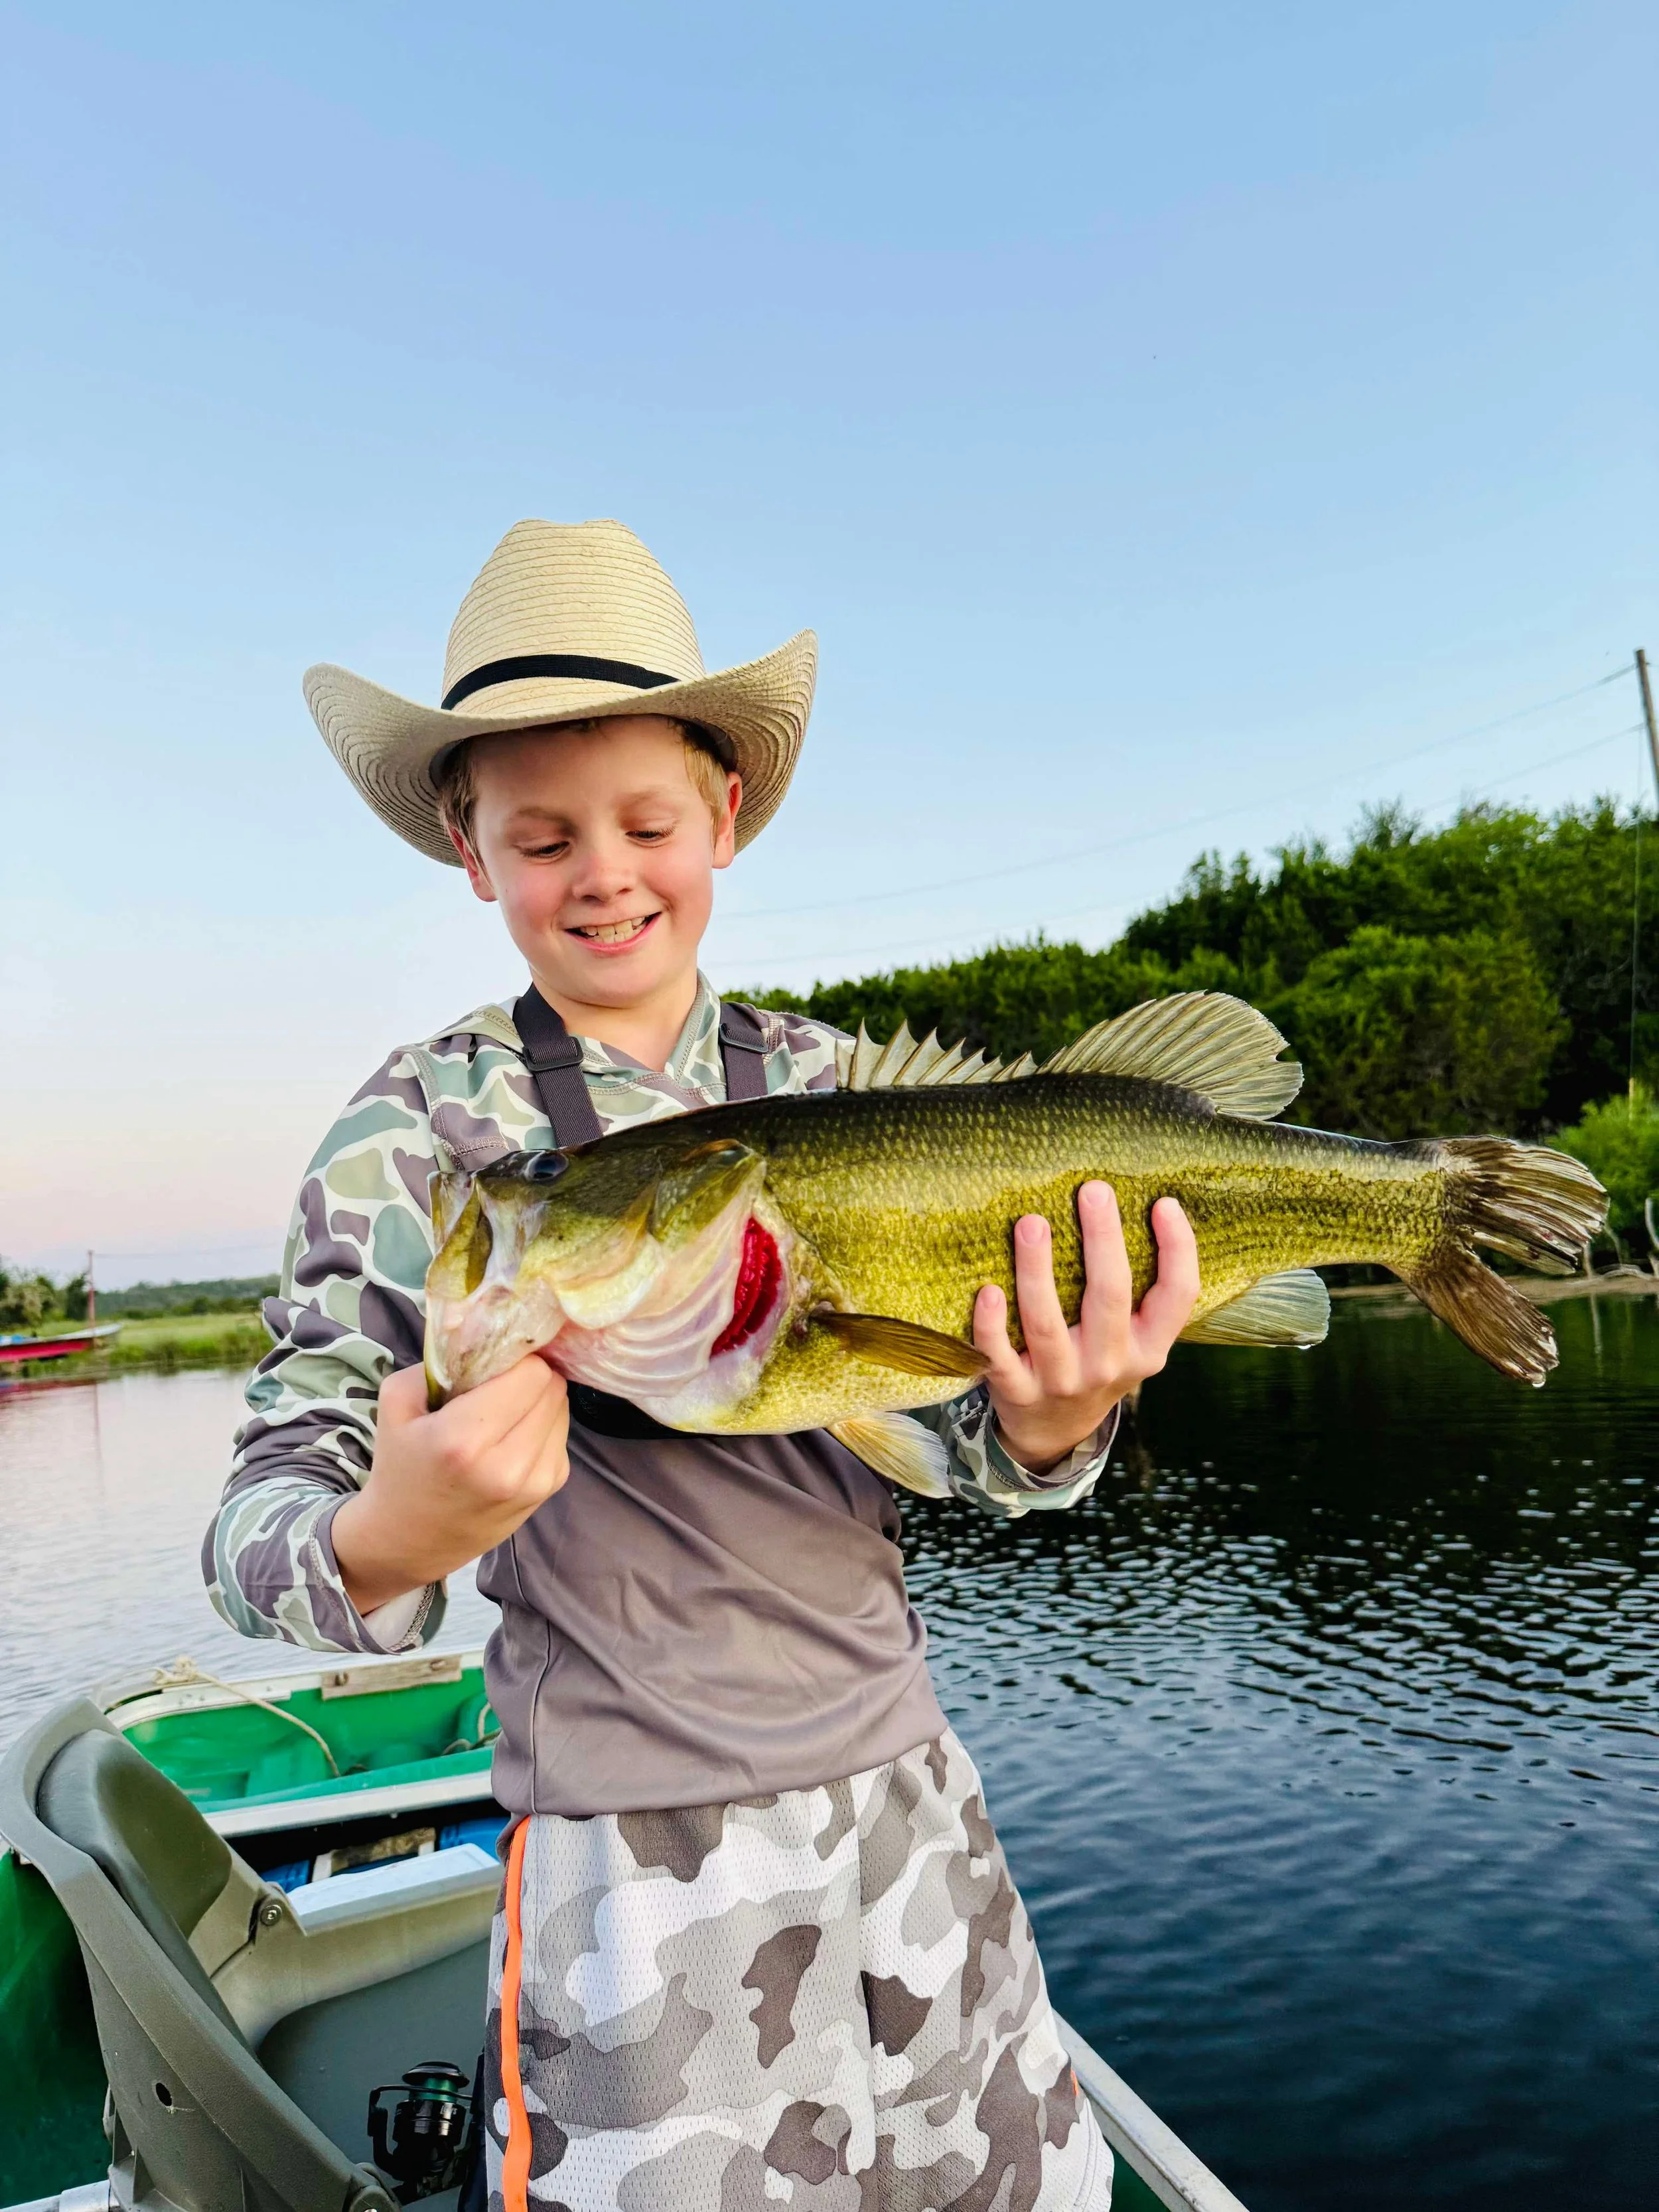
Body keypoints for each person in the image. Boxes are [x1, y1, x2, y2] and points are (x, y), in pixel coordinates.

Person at [204, 518, 1200, 2209]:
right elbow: (257, 1521)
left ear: (720, 817)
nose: (602, 873)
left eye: (647, 822)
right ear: (470, 849)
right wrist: (394, 1539)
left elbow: (963, 1443)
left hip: (910, 1805)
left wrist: (1053, 1425)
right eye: (540, 836)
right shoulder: (419, 1141)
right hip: (625, 1864)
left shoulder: (831, 1087)